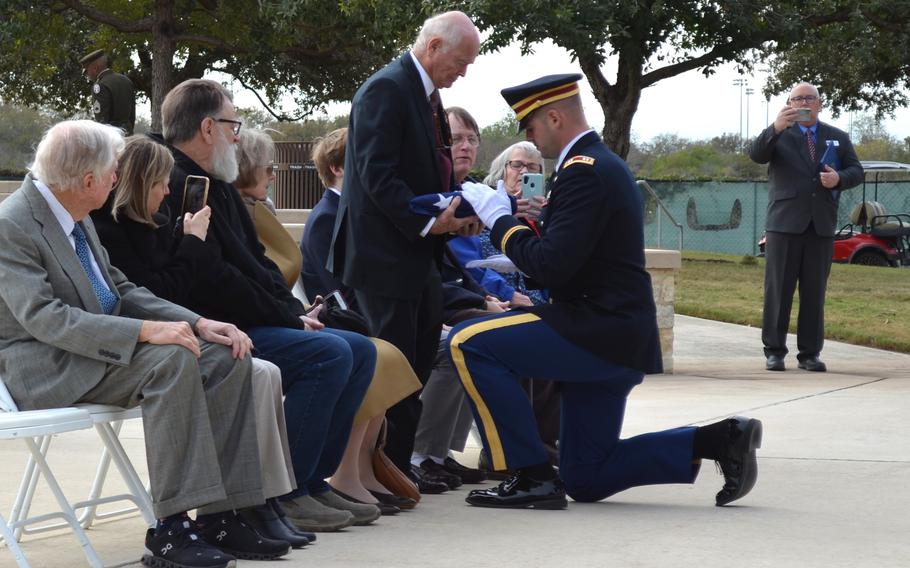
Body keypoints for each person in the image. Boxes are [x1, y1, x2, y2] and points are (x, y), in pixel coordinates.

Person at [455, 74, 763, 510]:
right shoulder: (594, 166)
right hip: (613, 336)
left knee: (468, 342)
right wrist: (523, 233)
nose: (530, 139)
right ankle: (720, 439)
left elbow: (548, 265)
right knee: (587, 475)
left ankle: (530, 474)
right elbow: (560, 263)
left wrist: (498, 220)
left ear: (555, 117)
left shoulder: (583, 172)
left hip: (595, 332)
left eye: (531, 127)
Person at [0, 120, 286, 568]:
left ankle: (220, 516)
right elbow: (44, 318)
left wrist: (198, 321)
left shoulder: (71, 212)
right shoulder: (12, 224)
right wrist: (145, 332)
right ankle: (170, 529)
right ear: (89, 180)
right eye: (113, 171)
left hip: (89, 351)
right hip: (42, 365)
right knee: (171, 361)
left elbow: (118, 289)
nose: (118, 178)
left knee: (226, 356)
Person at [157, 78, 379, 532]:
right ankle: (286, 491)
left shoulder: (217, 184)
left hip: (249, 318)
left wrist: (295, 313)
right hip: (213, 329)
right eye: (231, 124)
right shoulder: (179, 184)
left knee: (360, 349)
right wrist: (287, 318)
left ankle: (313, 480)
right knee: (329, 354)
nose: (236, 135)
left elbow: (257, 265)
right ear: (206, 127)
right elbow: (217, 281)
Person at [91, 135, 311, 547]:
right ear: (140, 185)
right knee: (237, 366)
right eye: (161, 184)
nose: (169, 191)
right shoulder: (111, 230)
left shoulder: (156, 223)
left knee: (244, 363)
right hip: (127, 347)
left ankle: (244, 504)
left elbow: (181, 285)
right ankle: (198, 514)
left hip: (174, 332)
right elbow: (157, 292)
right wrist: (192, 243)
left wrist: (194, 252)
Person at [329, 11, 482, 478]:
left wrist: (456, 212)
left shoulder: (425, 94)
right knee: (392, 370)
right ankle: (377, 473)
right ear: (433, 46)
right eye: (460, 61)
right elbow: (377, 176)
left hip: (417, 257)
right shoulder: (386, 88)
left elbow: (426, 172)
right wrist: (430, 222)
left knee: (414, 364)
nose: (464, 71)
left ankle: (396, 468)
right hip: (384, 259)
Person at [749, 82, 863, 373]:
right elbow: (756, 154)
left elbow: (856, 171)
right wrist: (775, 127)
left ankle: (810, 354)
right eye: (797, 98)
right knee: (779, 291)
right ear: (789, 103)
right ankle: (774, 351)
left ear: (819, 103)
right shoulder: (779, 135)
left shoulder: (836, 137)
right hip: (784, 223)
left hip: (820, 225)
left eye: (809, 98)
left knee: (814, 292)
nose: (803, 103)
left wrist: (838, 178)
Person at [78, 50, 136, 134]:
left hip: (112, 138)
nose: (87, 76)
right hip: (128, 134)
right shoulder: (126, 80)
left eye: (87, 71)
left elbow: (102, 122)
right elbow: (132, 116)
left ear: (95, 68)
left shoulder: (99, 86)